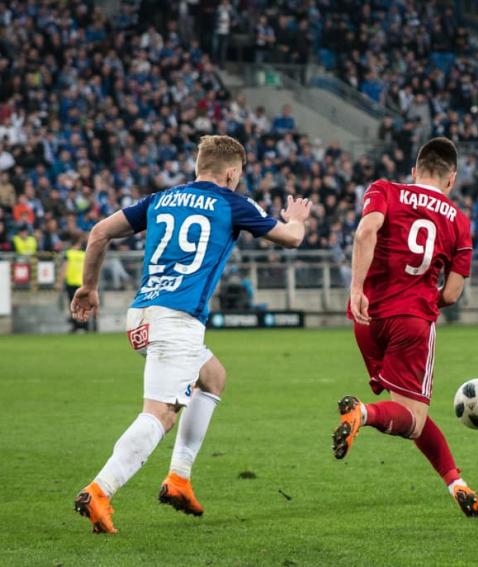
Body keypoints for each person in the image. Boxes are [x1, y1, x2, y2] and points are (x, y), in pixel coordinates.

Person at [70, 135, 312, 534]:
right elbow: (292, 239)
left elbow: (98, 232)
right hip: (177, 321)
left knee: (213, 376)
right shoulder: (233, 202)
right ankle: (100, 489)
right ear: (232, 172)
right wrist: (298, 217)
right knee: (160, 414)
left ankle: (179, 478)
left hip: (141, 315)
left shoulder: (160, 198)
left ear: (199, 165)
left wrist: (89, 287)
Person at [331, 137, 478, 517]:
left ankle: (456, 483)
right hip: (412, 321)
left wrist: (356, 290)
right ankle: (363, 414)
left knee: (411, 413)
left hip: (367, 319)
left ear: (414, 171)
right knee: (411, 417)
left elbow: (364, 232)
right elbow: (452, 293)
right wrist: (419, 301)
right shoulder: (459, 221)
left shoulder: (385, 189)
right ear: (451, 180)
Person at [62, 233, 90, 333]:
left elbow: (64, 268)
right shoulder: (83, 254)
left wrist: (60, 281)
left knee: (73, 305)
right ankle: (85, 325)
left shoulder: (68, 254)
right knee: (83, 305)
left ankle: (76, 326)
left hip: (71, 283)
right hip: (82, 283)